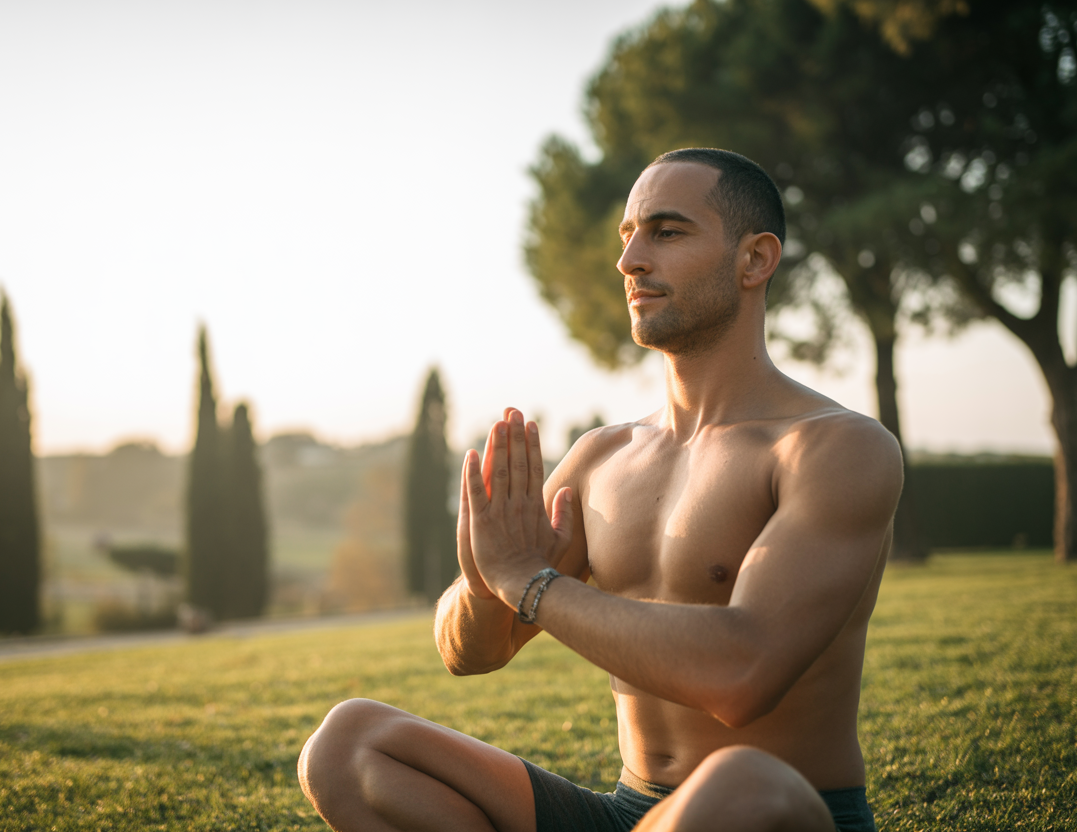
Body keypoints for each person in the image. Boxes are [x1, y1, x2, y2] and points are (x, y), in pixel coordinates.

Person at [297, 148, 903, 832]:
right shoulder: (603, 457)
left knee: (745, 783)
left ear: (755, 260)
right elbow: (471, 654)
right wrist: (483, 585)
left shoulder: (835, 448)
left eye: (666, 232)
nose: (629, 261)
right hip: (630, 813)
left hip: (771, 814)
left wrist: (529, 583)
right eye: (628, 235)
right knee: (349, 743)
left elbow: (744, 674)